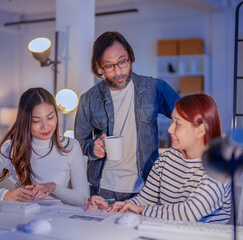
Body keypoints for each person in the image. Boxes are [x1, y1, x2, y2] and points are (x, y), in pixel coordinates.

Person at [86, 93, 232, 223]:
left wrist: (141, 209)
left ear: (200, 130)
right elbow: (145, 200)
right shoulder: (167, 159)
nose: (170, 129)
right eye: (172, 122)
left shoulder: (219, 165)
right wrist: (114, 206)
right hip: (168, 233)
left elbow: (190, 212)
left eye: (178, 124)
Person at [74, 31, 179, 201]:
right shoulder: (88, 99)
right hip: (102, 188)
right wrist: (92, 147)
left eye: (123, 62)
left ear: (130, 57)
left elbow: (186, 116)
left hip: (146, 187)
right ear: (99, 68)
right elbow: (78, 143)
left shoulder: (154, 88)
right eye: (109, 66)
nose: (118, 71)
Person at [0, 87, 89, 206]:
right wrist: (6, 195)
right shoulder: (11, 148)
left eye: (50, 118)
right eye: (36, 121)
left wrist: (54, 187)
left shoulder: (71, 146)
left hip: (60, 219)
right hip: (25, 217)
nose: (45, 127)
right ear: (26, 121)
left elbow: (83, 199)